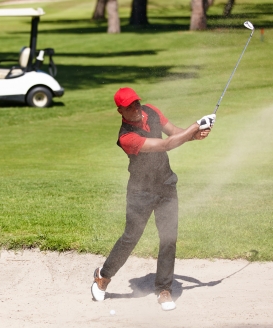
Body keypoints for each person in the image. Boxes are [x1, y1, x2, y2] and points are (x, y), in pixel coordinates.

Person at [91, 87, 215, 310]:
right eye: (130, 106)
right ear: (120, 110)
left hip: (166, 185)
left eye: (137, 103)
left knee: (168, 238)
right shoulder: (127, 137)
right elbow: (166, 145)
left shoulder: (152, 112)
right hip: (141, 191)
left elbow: (174, 132)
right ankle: (104, 275)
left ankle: (164, 289)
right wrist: (196, 125)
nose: (137, 108)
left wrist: (194, 135)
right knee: (131, 237)